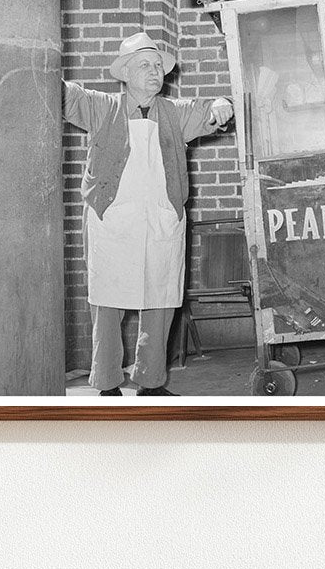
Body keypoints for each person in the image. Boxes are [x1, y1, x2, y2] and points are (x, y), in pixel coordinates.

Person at [63, 32, 234, 397]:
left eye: (158, 66)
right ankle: (107, 382)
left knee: (160, 302)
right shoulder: (101, 106)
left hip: (160, 222)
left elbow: (213, 110)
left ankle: (151, 382)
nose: (155, 72)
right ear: (124, 72)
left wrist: (223, 103)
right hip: (113, 223)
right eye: (145, 65)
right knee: (107, 304)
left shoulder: (175, 112)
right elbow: (63, 95)